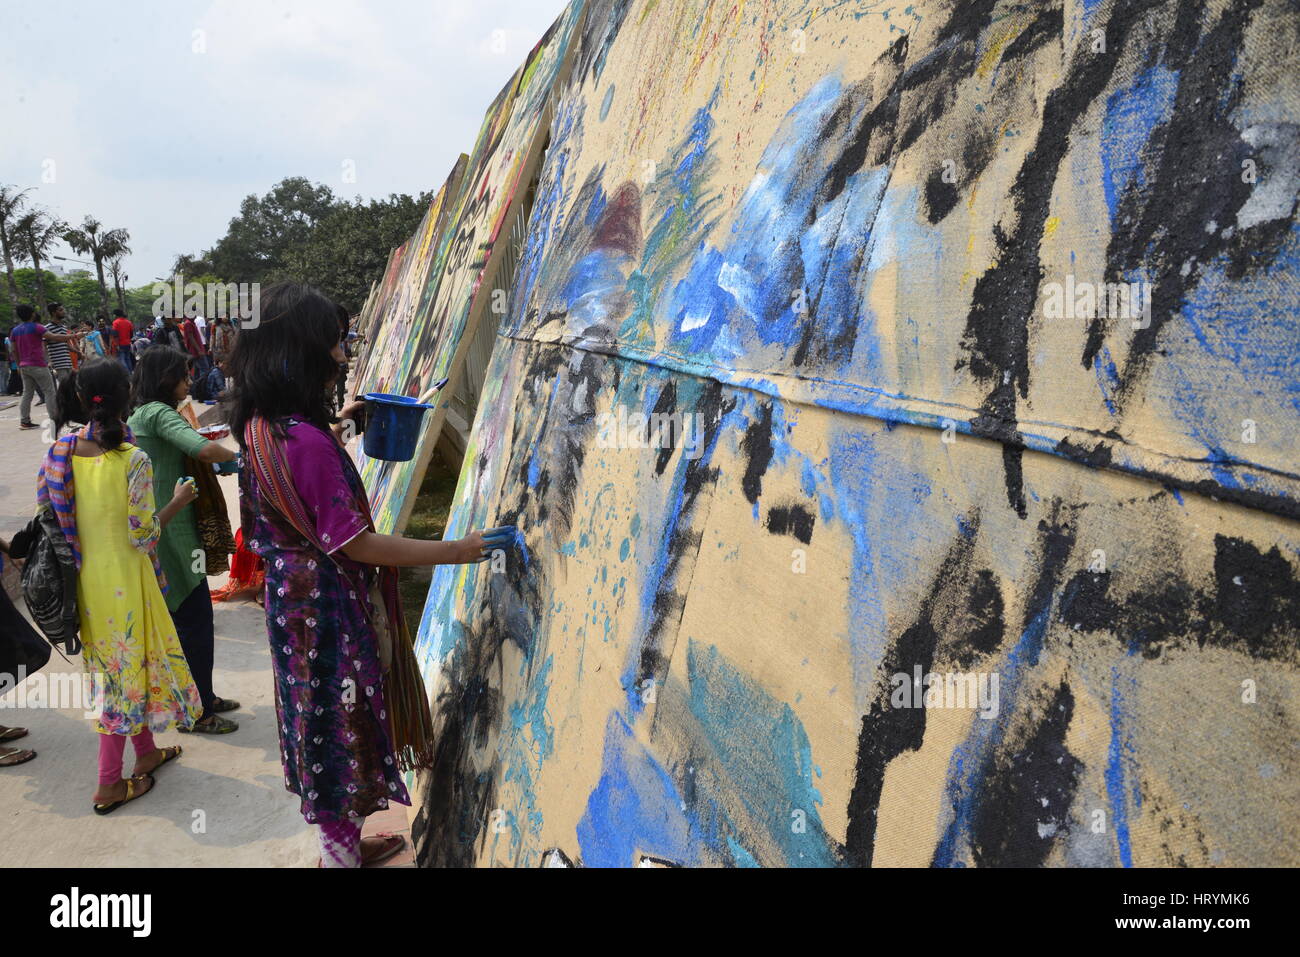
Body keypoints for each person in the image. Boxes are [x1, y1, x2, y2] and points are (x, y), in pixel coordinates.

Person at [227, 281, 509, 867]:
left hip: (294, 606)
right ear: (300, 352)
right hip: (325, 614)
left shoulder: (263, 422)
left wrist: (342, 425)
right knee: (336, 731)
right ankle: (338, 858)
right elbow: (357, 545)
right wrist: (460, 549)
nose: (343, 355)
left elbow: (303, 474)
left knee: (324, 722)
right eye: (335, 344)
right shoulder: (304, 442)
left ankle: (347, 842)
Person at [36, 358, 203, 813]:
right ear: (126, 396)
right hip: (129, 582)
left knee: (122, 673)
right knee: (120, 686)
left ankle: (145, 752)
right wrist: (176, 502)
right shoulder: (134, 459)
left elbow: (50, 518)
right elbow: (143, 535)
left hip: (89, 587)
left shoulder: (58, 452)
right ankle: (108, 784)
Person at [129, 347, 241, 734]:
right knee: (194, 620)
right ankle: (197, 713)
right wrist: (243, 461)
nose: (190, 382)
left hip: (164, 526)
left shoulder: (140, 414)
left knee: (186, 621)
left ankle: (201, 696)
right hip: (174, 533)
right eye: (184, 375)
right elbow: (202, 448)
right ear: (165, 379)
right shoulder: (159, 413)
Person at [11, 304, 75, 429]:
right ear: (32, 314)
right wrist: (73, 336)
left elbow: (13, 350)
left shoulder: (15, 330)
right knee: (49, 392)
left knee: (27, 393)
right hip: (38, 364)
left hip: (24, 366)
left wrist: (19, 365)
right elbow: (54, 337)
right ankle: (55, 419)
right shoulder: (37, 327)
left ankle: (24, 421)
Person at [44, 302, 77, 386]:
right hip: (58, 363)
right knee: (65, 387)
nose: (64, 311)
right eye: (60, 310)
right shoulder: (47, 328)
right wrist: (49, 361)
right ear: (53, 313)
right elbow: (44, 346)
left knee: (71, 386)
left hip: (68, 362)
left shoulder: (64, 327)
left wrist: (79, 352)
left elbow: (67, 345)